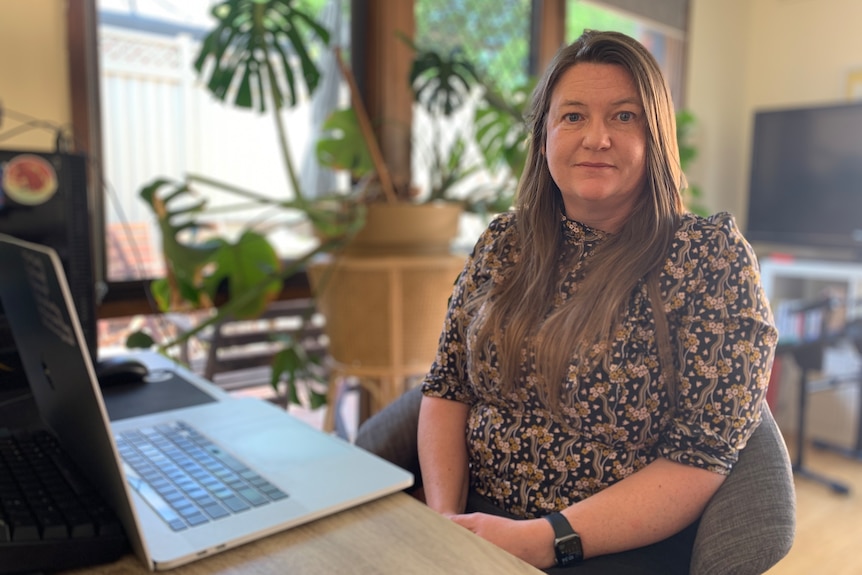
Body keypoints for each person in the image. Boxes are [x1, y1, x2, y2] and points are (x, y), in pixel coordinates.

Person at [414, 29, 778, 574]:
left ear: (655, 137)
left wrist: (544, 538)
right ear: (544, 138)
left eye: (624, 117)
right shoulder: (504, 242)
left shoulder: (710, 258)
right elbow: (447, 387)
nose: (597, 138)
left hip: (607, 546)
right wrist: (443, 523)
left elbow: (702, 456)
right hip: (472, 526)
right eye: (574, 116)